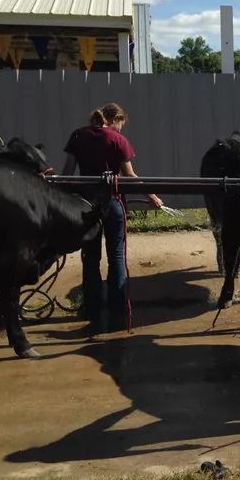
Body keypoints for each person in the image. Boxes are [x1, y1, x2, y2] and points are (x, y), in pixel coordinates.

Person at [61, 104, 163, 330]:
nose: (121, 130)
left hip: (86, 206)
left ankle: (92, 307)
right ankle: (117, 309)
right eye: (121, 125)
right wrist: (153, 196)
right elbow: (130, 176)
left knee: (90, 257)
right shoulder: (117, 140)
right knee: (116, 257)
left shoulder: (78, 135)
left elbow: (67, 173)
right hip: (113, 204)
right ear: (116, 118)